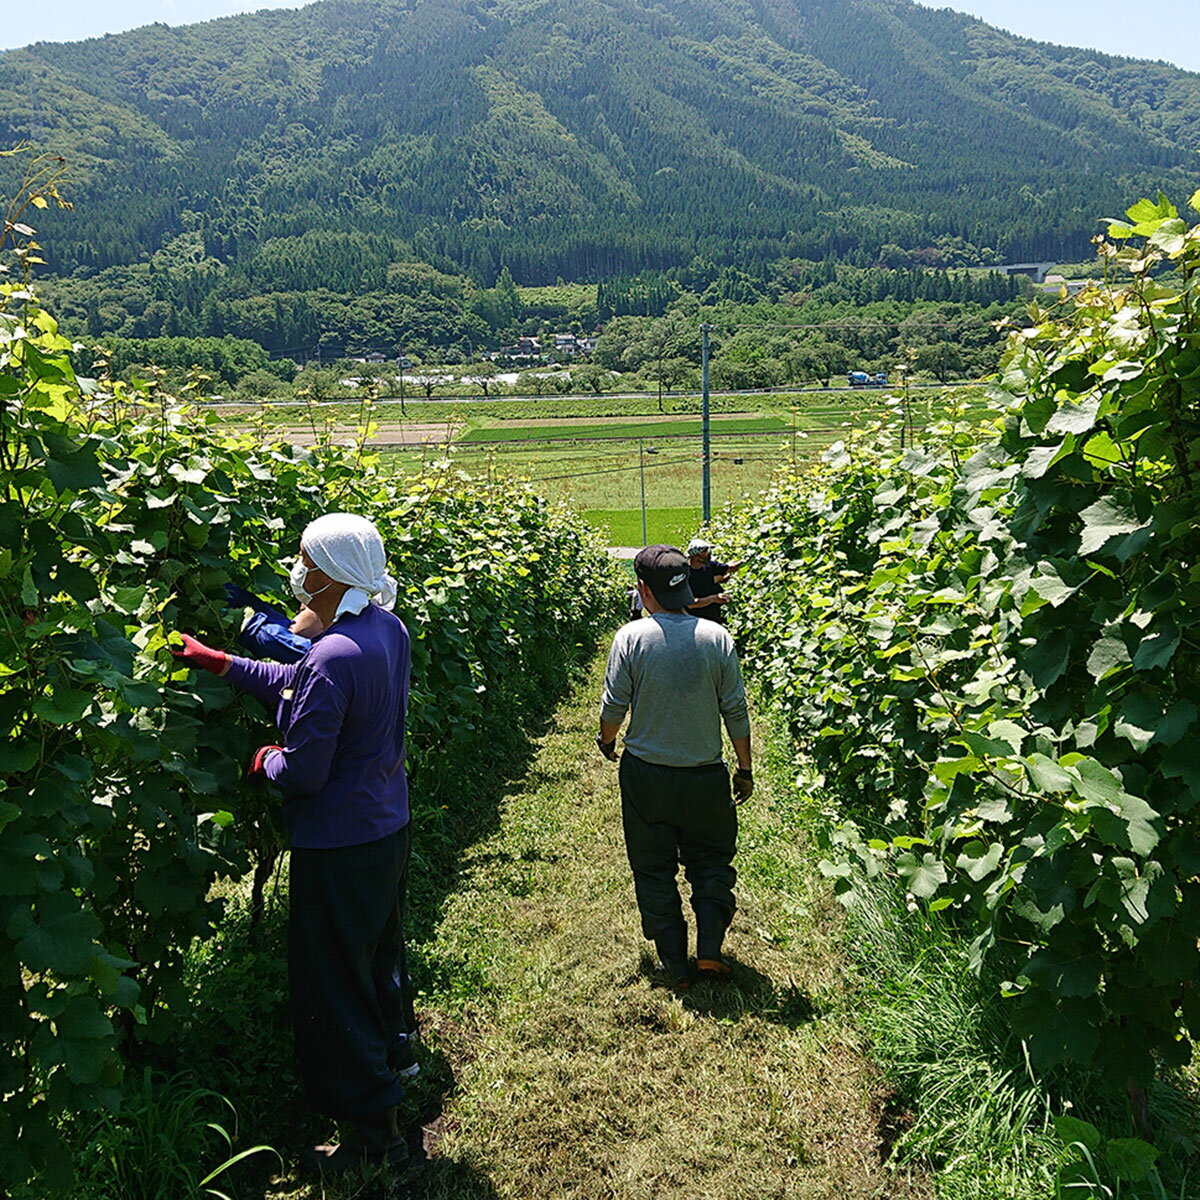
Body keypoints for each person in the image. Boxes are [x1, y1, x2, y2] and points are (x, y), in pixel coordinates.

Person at [171, 513, 416, 1174]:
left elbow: (304, 769)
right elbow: (302, 683)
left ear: (332, 576)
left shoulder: (333, 654)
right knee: (371, 965)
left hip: (337, 845)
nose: (297, 573)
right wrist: (221, 663)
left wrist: (263, 761)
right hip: (384, 828)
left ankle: (371, 1139)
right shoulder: (383, 630)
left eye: (305, 562)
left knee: (334, 985)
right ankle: (393, 1080)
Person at [597, 544, 753, 988]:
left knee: (653, 865)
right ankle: (708, 951)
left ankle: (673, 961)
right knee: (711, 861)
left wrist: (607, 741)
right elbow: (735, 710)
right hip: (705, 773)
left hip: (647, 773)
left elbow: (614, 707)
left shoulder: (631, 638)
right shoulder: (715, 638)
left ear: (644, 590)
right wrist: (744, 768)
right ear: (685, 585)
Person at [684, 537, 744, 623]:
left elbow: (730, 568)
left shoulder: (710, 566)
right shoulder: (686, 575)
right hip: (698, 619)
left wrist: (746, 559)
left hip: (716, 615)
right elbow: (691, 604)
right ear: (696, 556)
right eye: (705, 551)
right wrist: (713, 598)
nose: (708, 553)